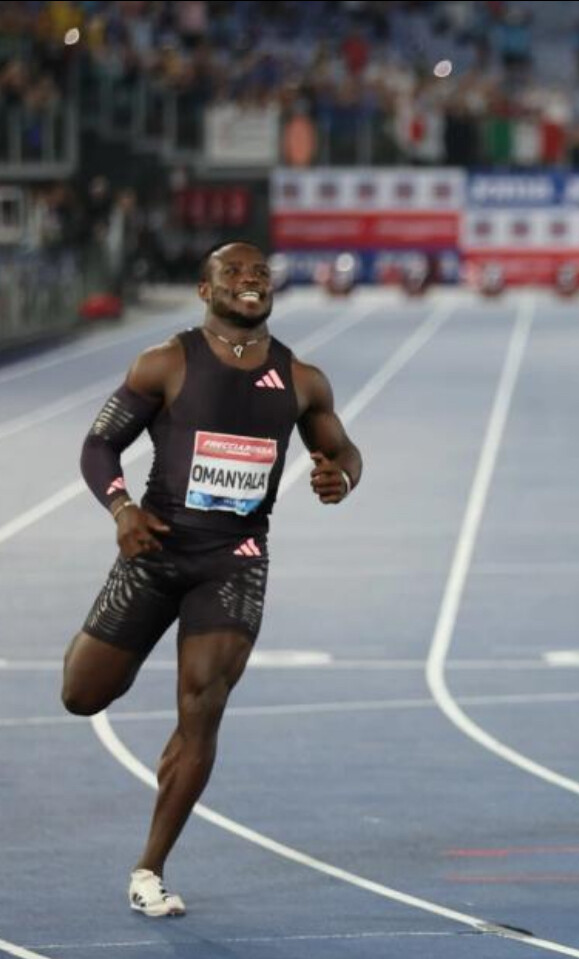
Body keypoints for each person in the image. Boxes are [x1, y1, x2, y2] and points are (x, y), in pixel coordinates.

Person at [62, 242, 363, 917]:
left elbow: (344, 451)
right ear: (205, 289)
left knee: (202, 706)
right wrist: (121, 508)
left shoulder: (302, 379)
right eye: (234, 272)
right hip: (155, 549)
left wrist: (340, 476)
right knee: (82, 693)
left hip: (235, 561)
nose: (250, 280)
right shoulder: (166, 362)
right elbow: (99, 444)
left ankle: (150, 868)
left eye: (259, 273)